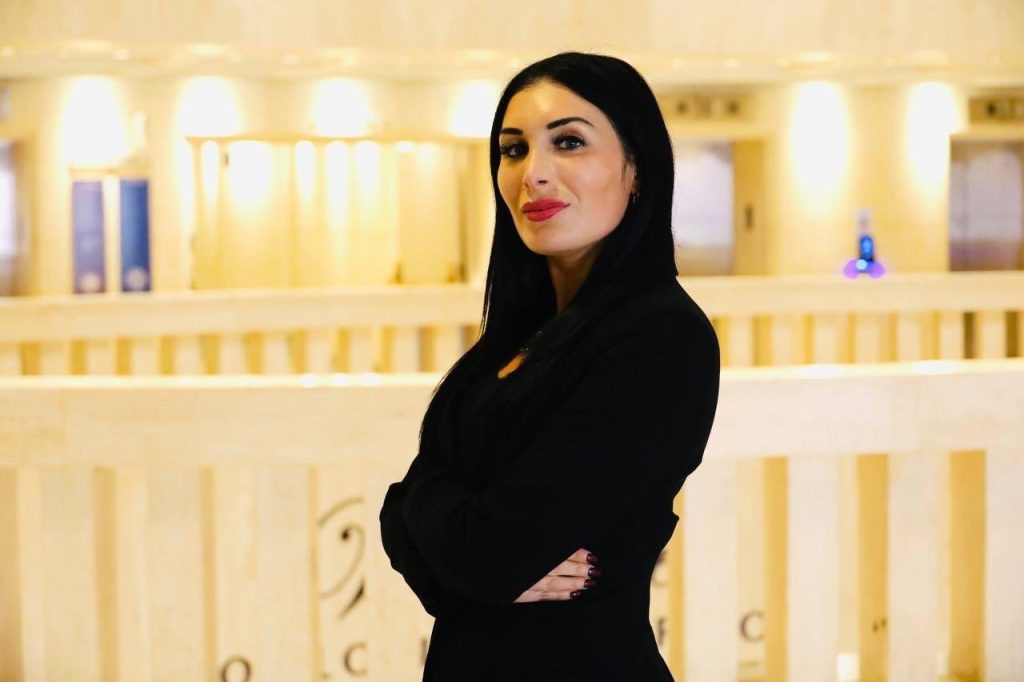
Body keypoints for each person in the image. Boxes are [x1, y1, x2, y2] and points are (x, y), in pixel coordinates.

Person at [379, 51, 720, 681]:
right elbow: (399, 518)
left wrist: (429, 520)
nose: (532, 174)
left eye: (568, 142)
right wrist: (435, 523)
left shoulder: (662, 337)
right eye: (513, 149)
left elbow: (489, 554)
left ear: (637, 169)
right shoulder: (522, 335)